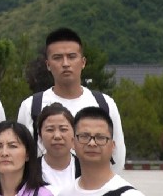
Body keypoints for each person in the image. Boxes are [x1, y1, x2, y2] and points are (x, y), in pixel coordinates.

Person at [21, 31, 125, 170]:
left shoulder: (104, 104)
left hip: (93, 189)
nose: (65, 64)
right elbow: (21, 156)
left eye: (71, 57)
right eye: (57, 58)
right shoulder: (31, 106)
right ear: (48, 64)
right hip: (44, 188)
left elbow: (117, 157)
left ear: (83, 62)